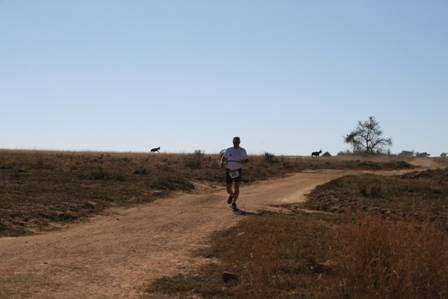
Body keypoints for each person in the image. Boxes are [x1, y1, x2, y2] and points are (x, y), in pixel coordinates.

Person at [220, 137, 249, 211]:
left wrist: (243, 161)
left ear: (239, 142)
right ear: (232, 142)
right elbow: (224, 157)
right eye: (235, 142)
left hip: (237, 171)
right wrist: (221, 162)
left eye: (237, 142)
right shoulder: (229, 150)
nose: (236, 143)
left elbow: (246, 160)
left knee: (236, 187)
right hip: (229, 170)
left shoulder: (242, 150)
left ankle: (234, 203)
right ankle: (232, 195)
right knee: (228, 188)